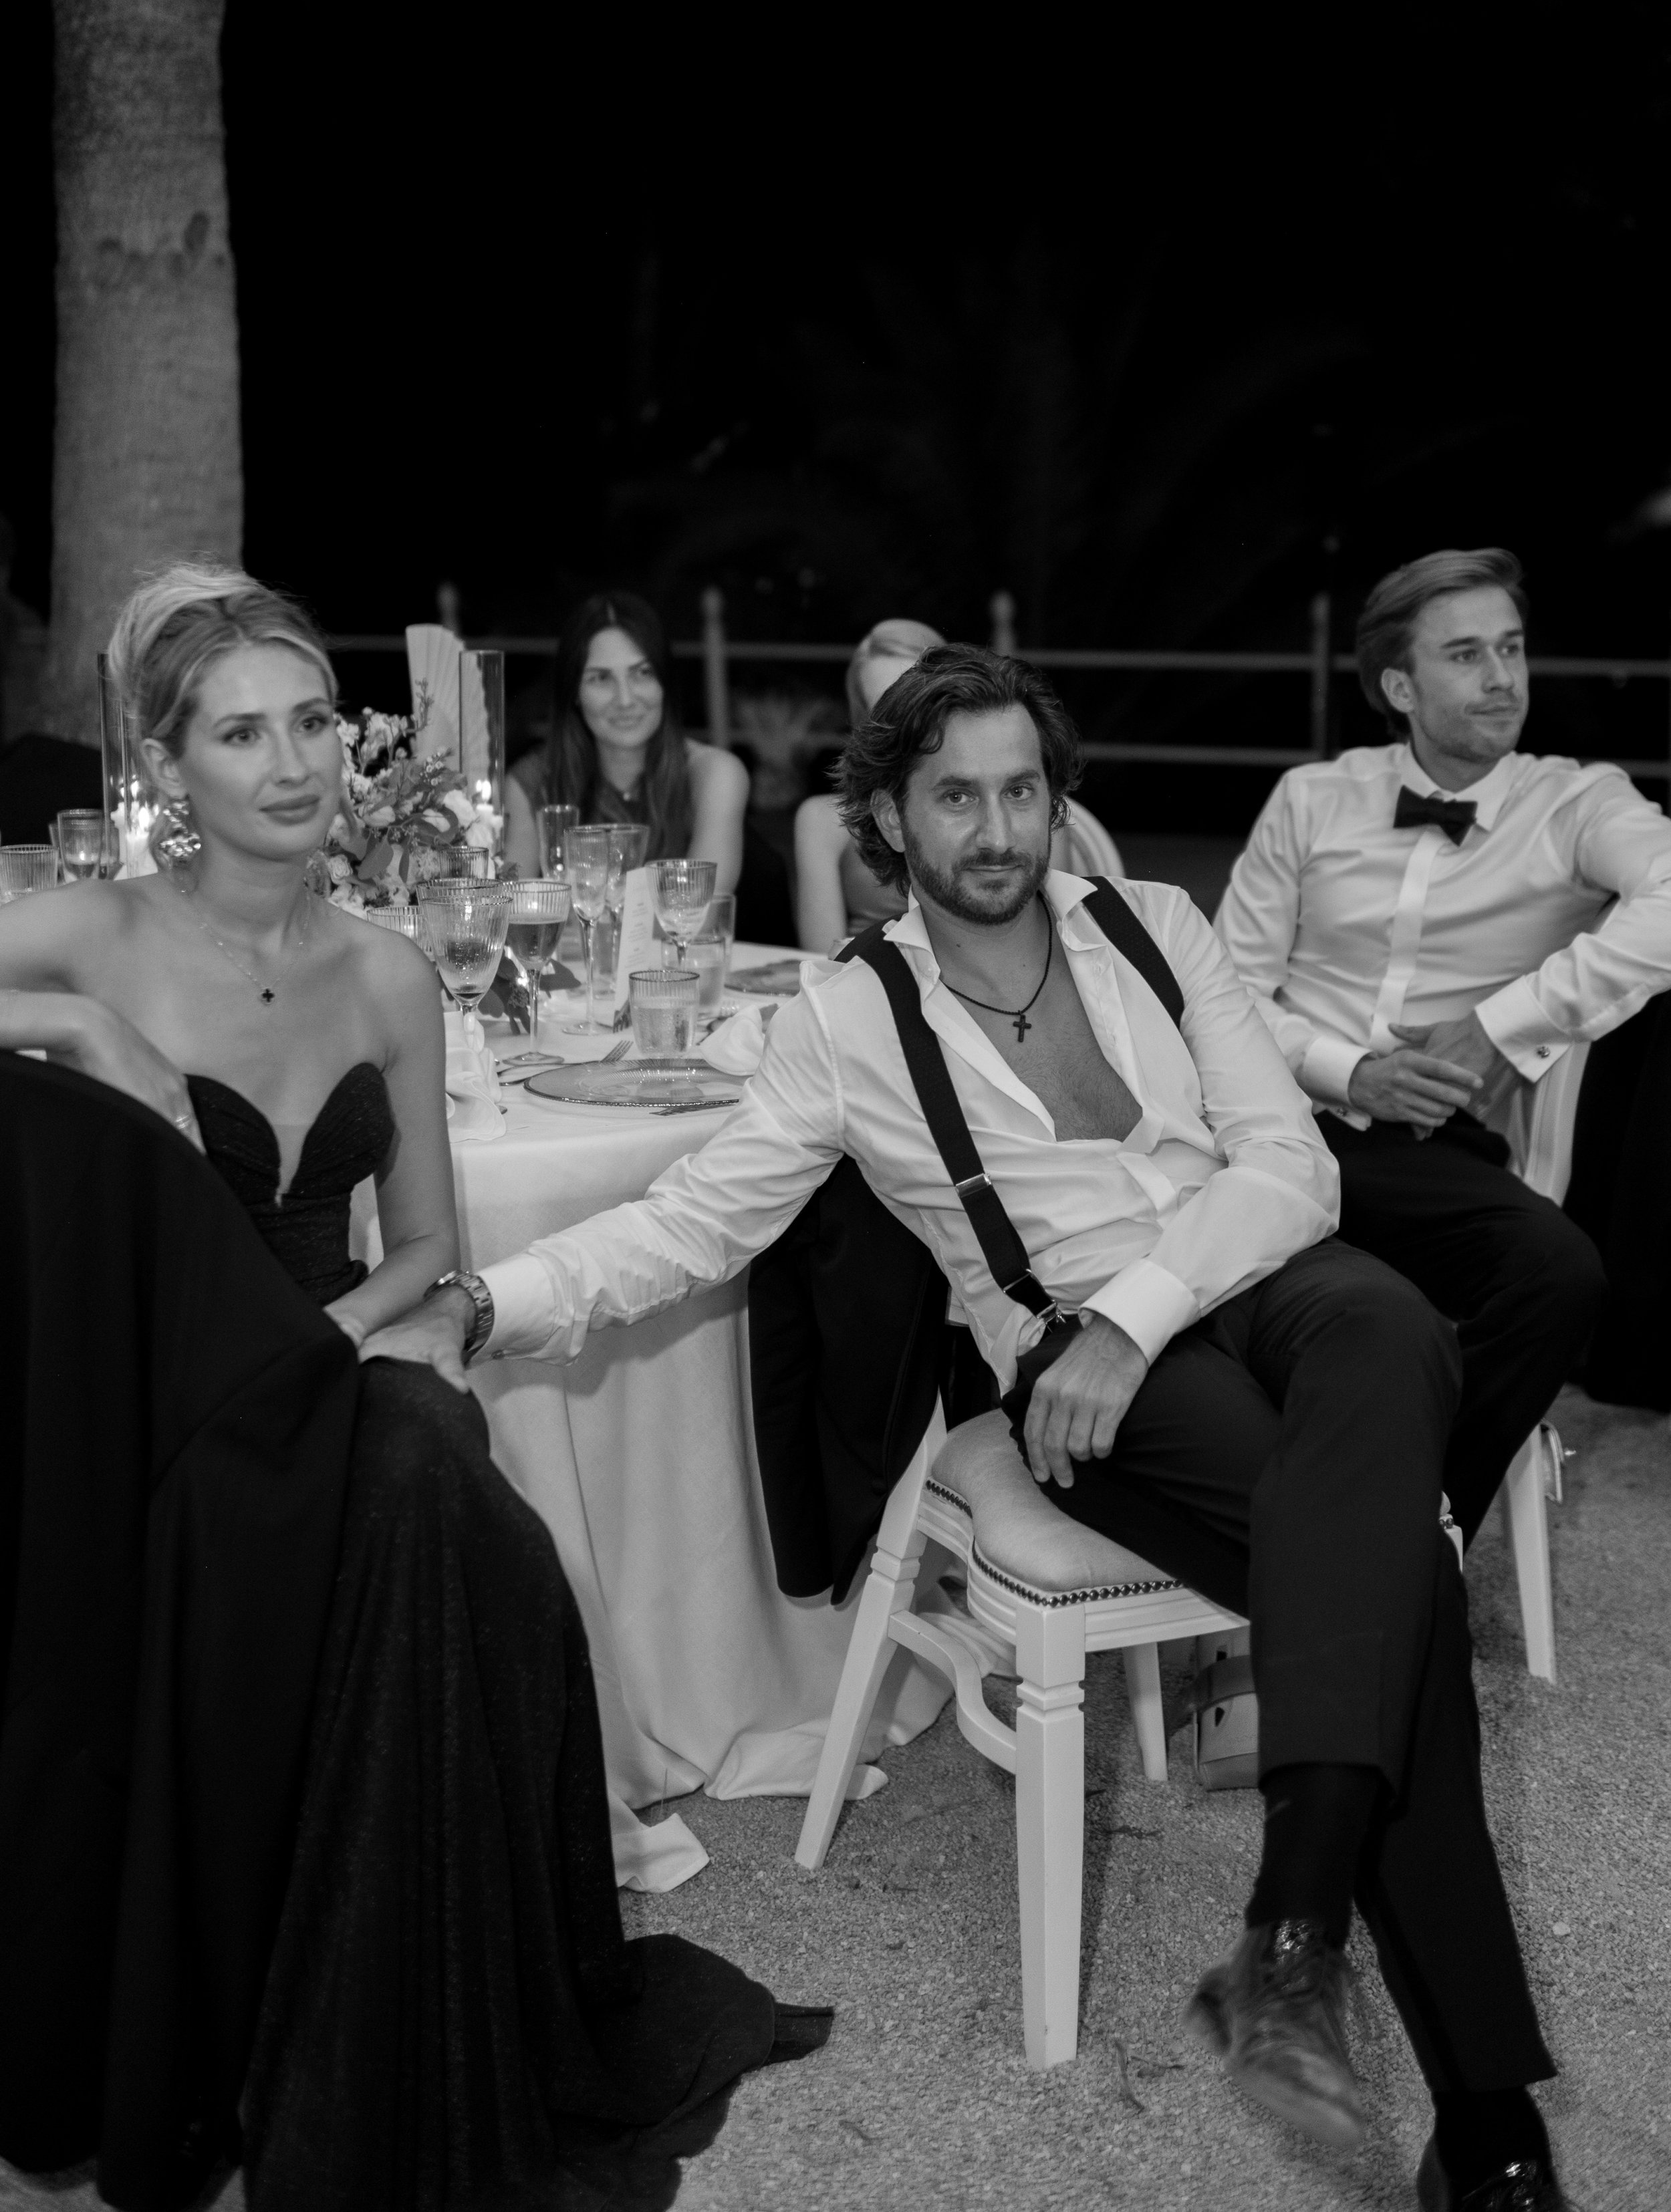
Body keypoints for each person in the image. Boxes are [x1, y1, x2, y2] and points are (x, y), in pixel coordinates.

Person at [374, 644, 1571, 2210]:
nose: (998, 827)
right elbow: (688, 1228)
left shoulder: (1155, 925)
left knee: (1390, 1318)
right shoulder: (845, 1023)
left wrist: (1139, 1315)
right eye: (958, 796)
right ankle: (1484, 2125)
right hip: (1080, 1357)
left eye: (1021, 788)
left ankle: (1292, 1929)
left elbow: (1290, 1169)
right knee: (1394, 1568)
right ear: (889, 816)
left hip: (1240, 1284)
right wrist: (483, 1302)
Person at [0, 563, 825, 2210]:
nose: (294, 761)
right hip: (160, 1414)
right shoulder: (90, 928)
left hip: (332, 1355)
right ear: (171, 770)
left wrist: (330, 1345)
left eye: (314, 719)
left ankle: (402, 2025)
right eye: (244, 733)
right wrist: (95, 1044)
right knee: (420, 1480)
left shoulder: (384, 969)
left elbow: (434, 1250)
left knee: (442, 1482)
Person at [1215, 547, 1671, 1533]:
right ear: (1398, 685)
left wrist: (1499, 1028)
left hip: (1438, 1152)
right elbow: (1224, 993)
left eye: (1510, 649)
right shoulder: (1311, 798)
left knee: (1560, 1273)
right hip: (1277, 1113)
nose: (1503, 678)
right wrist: (1351, 1072)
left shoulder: (1579, 800)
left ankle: (1415, 1523)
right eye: (1466, 655)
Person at [795, 616, 1121, 949]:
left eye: (1018, 792)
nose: (998, 836)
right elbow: (822, 960)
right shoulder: (821, 820)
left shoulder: (1038, 815)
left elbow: (1060, 935)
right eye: (885, 705)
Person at [504, 590, 805, 942]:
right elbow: (512, 920)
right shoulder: (532, 783)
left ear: (665, 682)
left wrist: (582, 924)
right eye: (601, 678)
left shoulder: (714, 775)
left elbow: (696, 920)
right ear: (574, 692)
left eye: (642, 673)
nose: (626, 699)